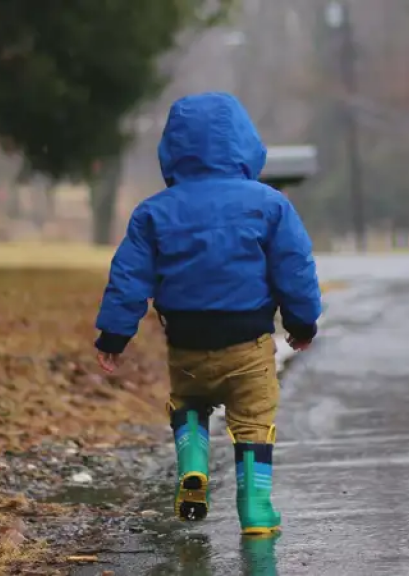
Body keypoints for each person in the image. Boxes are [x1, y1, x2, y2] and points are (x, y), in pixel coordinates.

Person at [93, 91, 321, 535]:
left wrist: (113, 337)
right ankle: (255, 508)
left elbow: (129, 278)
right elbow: (294, 268)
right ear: (244, 143)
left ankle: (193, 464)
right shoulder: (269, 204)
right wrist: (301, 323)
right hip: (249, 343)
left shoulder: (153, 212)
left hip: (187, 344)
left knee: (190, 404)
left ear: (173, 148)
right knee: (253, 419)